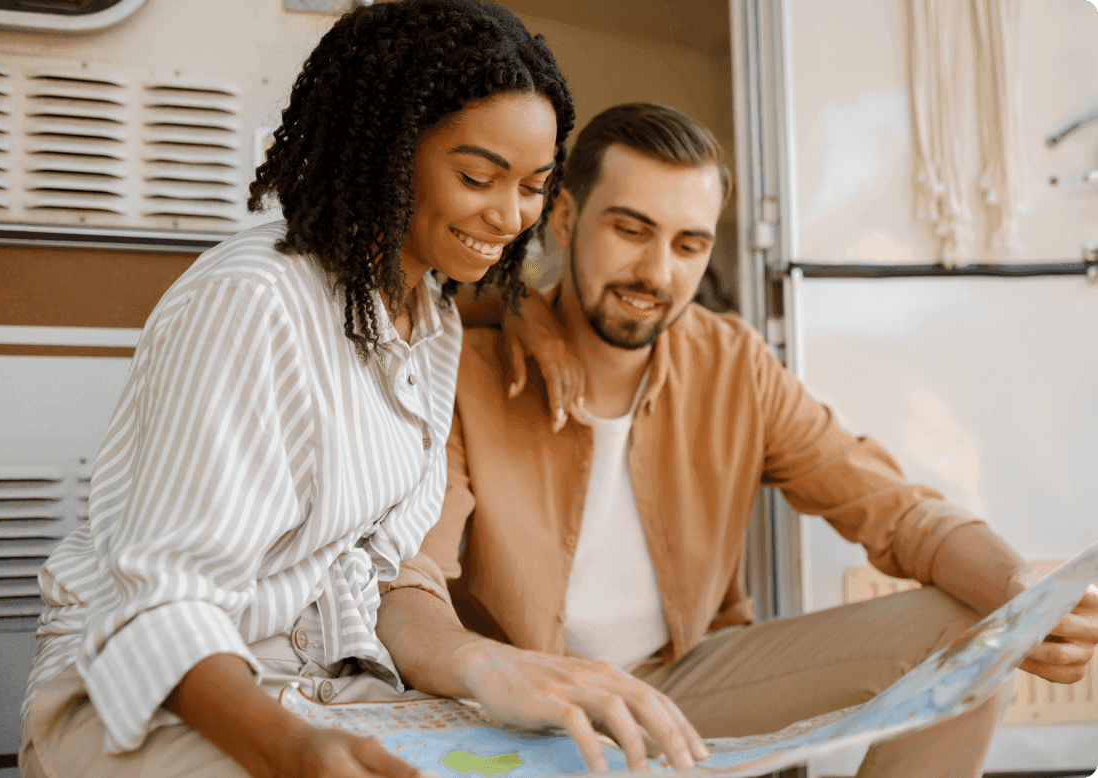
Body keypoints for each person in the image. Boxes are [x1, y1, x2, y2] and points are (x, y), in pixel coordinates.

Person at [376, 103, 1098, 778]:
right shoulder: (468, 371)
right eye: (630, 230)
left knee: (975, 629)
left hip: (685, 683)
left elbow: (900, 513)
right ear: (563, 217)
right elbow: (411, 585)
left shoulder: (734, 365)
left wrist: (1019, 594)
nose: (658, 273)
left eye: (689, 244)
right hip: (529, 709)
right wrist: (484, 666)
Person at [17, 3, 578, 777]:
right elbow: (158, 608)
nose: (509, 214)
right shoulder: (254, 301)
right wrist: (291, 752)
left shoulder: (431, 321)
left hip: (321, 689)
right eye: (478, 176)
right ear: (388, 149)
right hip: (165, 701)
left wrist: (489, 666)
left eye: (533, 186)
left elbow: (380, 571)